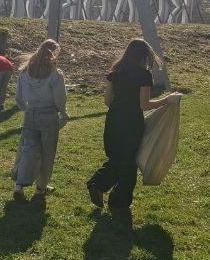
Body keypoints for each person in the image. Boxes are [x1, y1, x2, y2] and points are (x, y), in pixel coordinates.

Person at [86, 38, 182, 215]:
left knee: (118, 157)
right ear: (143, 56)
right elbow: (144, 105)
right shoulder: (143, 75)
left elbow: (107, 100)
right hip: (131, 122)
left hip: (114, 119)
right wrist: (167, 100)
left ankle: (104, 190)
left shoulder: (115, 72)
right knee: (129, 160)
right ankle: (110, 194)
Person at [11, 39, 67, 202]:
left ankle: (19, 185)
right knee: (47, 152)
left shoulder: (24, 72)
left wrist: (27, 109)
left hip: (31, 113)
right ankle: (40, 188)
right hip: (48, 114)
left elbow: (18, 97)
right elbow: (59, 98)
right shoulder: (55, 74)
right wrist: (63, 113)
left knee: (27, 149)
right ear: (55, 53)